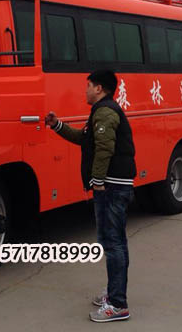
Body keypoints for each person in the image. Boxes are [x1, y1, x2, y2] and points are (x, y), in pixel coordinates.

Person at [45, 70, 136, 323]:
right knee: (116, 241)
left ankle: (118, 304)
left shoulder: (105, 112)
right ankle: (115, 293)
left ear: (99, 88)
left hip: (112, 187)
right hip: (115, 185)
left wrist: (97, 182)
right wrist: (57, 125)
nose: (84, 90)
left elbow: (105, 150)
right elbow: (84, 139)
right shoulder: (100, 112)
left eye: (88, 86)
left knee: (112, 242)